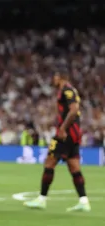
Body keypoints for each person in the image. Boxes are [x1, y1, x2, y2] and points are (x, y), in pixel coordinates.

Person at [24, 70, 90, 212]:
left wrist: (63, 128)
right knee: (74, 166)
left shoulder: (67, 90)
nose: (52, 80)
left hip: (67, 133)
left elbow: (74, 110)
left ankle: (41, 199)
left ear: (61, 77)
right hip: (73, 134)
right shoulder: (68, 91)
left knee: (49, 162)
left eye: (54, 77)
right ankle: (84, 201)